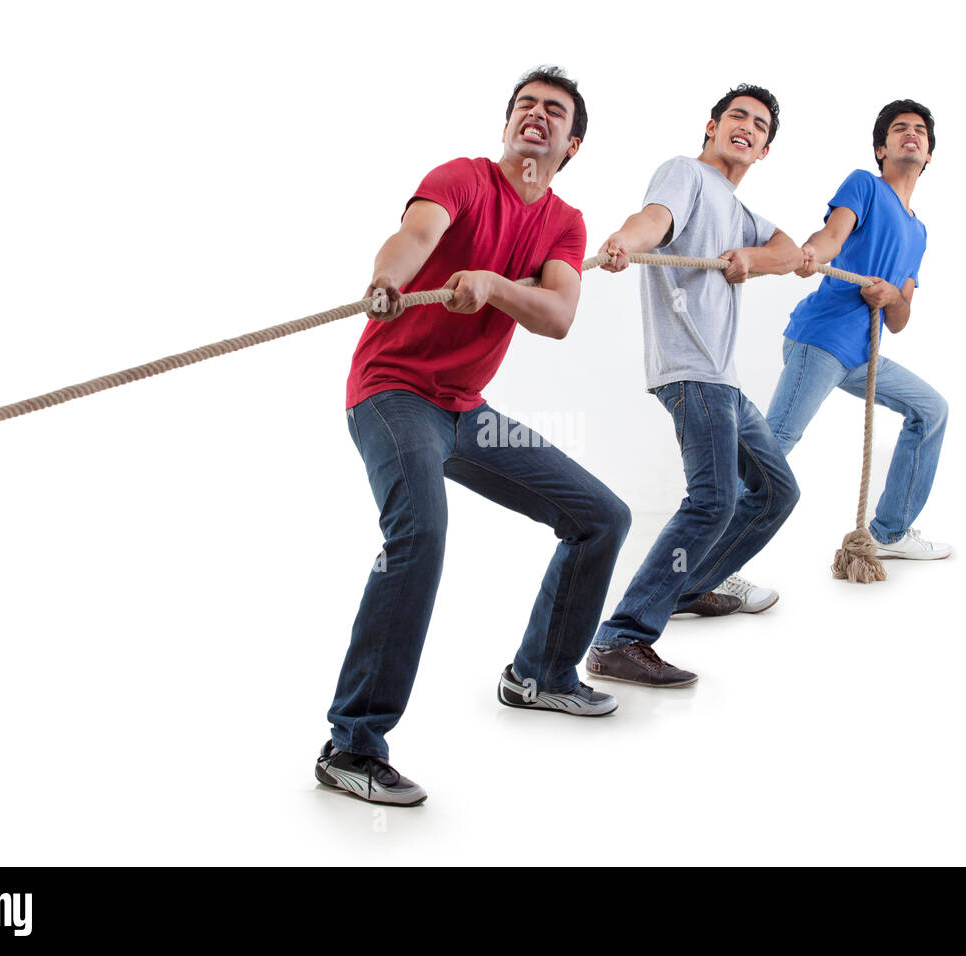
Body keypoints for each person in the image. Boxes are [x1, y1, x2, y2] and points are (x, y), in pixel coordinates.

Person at [315, 67, 633, 806]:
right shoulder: (460, 178)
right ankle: (352, 745)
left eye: (554, 111)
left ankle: (542, 675)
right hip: (392, 394)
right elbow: (413, 236)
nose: (537, 116)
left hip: (465, 409)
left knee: (601, 518)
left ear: (571, 142)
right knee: (419, 534)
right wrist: (388, 280)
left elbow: (557, 315)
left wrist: (492, 283)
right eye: (525, 105)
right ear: (506, 125)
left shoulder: (564, 222)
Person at [585, 84, 802, 689]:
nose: (748, 128)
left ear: (763, 150)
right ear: (711, 126)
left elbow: (787, 248)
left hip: (724, 382)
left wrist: (752, 260)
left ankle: (690, 584)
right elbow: (655, 220)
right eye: (738, 116)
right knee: (714, 501)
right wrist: (626, 242)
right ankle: (622, 636)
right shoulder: (686, 173)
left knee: (776, 491)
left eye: (760, 126)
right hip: (691, 371)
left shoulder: (738, 209)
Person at [765, 99, 950, 560]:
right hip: (822, 341)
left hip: (862, 355)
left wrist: (892, 298)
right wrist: (810, 253)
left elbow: (901, 319)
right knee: (773, 447)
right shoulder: (864, 185)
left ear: (929, 154)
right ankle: (703, 547)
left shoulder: (919, 232)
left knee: (931, 410)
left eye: (920, 131)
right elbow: (831, 237)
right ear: (880, 148)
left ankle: (889, 533)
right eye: (899, 128)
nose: (911, 133)